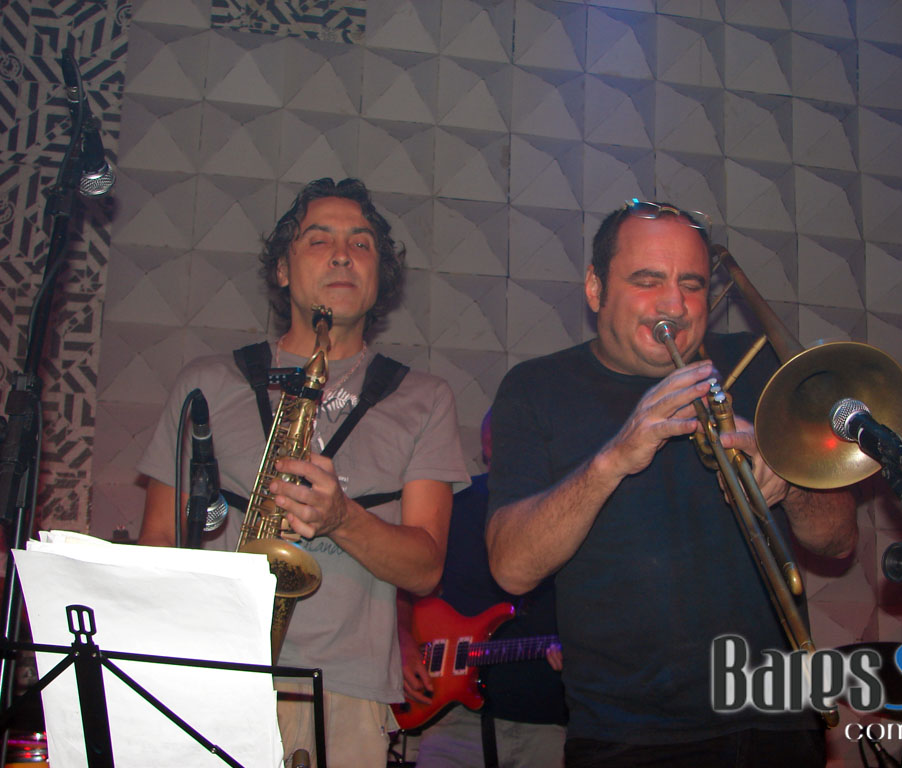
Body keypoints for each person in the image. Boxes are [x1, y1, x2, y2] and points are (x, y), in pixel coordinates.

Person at [485, 200, 858, 767]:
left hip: (778, 718)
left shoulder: (760, 368)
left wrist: (792, 484)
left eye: (691, 284)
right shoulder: (536, 387)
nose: (674, 306)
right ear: (595, 288)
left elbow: (839, 540)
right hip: (629, 735)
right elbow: (511, 567)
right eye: (647, 281)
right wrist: (614, 458)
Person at [137, 178, 468, 767]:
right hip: (213, 678)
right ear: (283, 270)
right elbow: (157, 542)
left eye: (361, 243)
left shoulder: (424, 398)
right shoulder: (206, 383)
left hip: (348, 693)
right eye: (319, 240)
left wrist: (342, 518)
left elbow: (425, 570)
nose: (342, 255)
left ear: (380, 276)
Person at [398, 411, 567, 767]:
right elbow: (401, 580)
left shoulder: (570, 506)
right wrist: (402, 640)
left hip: (548, 717)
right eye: (493, 456)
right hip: (453, 716)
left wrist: (581, 648)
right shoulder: (455, 502)